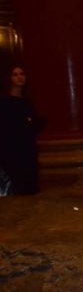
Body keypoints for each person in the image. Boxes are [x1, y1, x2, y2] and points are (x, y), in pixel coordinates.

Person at [0, 65, 42, 195]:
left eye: (22, 74)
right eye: (15, 74)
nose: (20, 77)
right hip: (12, 151)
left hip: (28, 149)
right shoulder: (4, 102)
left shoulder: (26, 101)